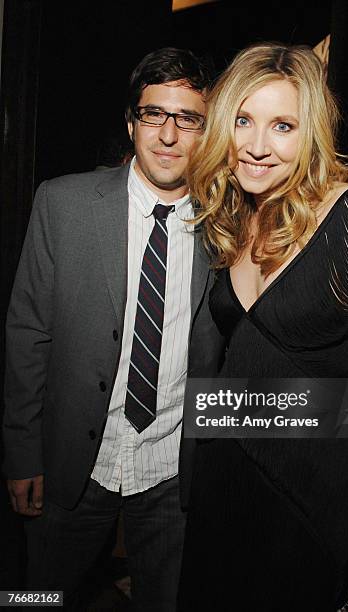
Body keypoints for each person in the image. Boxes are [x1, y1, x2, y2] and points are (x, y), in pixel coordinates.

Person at [177, 43, 348, 612]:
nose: (258, 147)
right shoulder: (235, 213)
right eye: (244, 120)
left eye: (282, 125)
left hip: (307, 493)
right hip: (222, 476)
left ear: (309, 130)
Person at [3, 47, 224, 611]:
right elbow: (28, 332)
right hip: (74, 463)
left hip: (172, 471)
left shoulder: (229, 222)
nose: (168, 135)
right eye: (154, 115)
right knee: (38, 596)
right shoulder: (62, 203)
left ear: (208, 130)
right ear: (131, 123)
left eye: (188, 119)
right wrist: (22, 452)